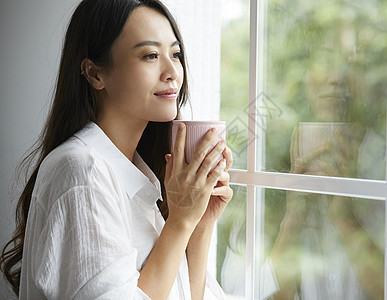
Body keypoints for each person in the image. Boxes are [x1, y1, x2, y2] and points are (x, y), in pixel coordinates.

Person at [0, 0, 233, 299]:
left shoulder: (141, 177)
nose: (172, 70)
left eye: (175, 54)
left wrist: (198, 225)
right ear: (95, 74)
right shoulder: (82, 170)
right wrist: (180, 221)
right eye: (150, 55)